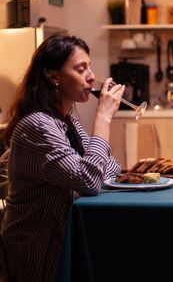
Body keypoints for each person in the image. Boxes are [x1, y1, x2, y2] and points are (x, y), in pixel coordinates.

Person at [1, 35, 123, 282]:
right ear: (53, 76)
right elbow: (89, 179)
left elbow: (109, 168)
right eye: (81, 69)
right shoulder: (37, 125)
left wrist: (95, 163)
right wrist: (103, 119)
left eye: (89, 67)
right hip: (40, 250)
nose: (91, 76)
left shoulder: (66, 120)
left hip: (64, 238)